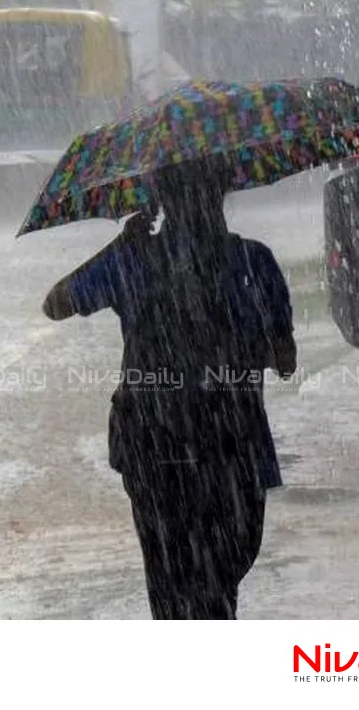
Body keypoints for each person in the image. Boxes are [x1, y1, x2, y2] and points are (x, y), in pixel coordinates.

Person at [42, 158, 297, 619]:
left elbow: (55, 304)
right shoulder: (252, 262)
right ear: (222, 194)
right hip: (231, 448)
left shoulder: (133, 258)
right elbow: (285, 363)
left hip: (152, 445)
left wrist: (117, 249)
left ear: (158, 200)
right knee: (219, 582)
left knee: (168, 578)